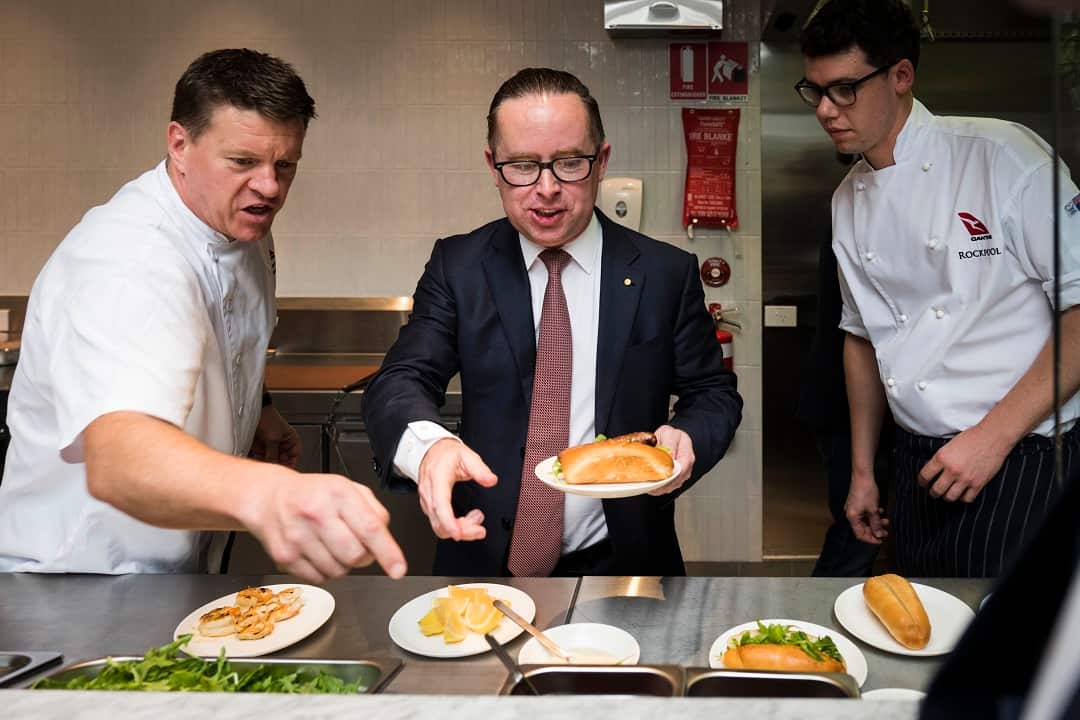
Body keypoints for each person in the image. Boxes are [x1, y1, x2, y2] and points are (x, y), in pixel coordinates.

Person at [0, 49, 405, 583]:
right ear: (179, 144)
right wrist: (269, 494)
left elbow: (223, 330)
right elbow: (119, 458)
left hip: (176, 569)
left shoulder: (240, 225)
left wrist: (256, 407)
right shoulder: (129, 257)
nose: (269, 186)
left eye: (285, 165)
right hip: (78, 577)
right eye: (242, 162)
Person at [362, 67, 742, 577]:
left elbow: (713, 392)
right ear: (493, 167)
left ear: (601, 161)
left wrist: (688, 435)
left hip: (625, 561)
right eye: (521, 165)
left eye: (568, 163)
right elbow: (401, 378)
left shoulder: (664, 273)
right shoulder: (459, 266)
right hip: (483, 556)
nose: (546, 189)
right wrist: (429, 449)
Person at [799, 0, 1080, 577]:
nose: (827, 109)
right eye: (816, 90)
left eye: (845, 88)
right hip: (916, 458)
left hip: (1022, 455)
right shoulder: (847, 199)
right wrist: (861, 473)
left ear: (901, 76)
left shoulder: (1002, 158)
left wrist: (991, 440)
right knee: (921, 638)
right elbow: (860, 338)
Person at [797, 232, 891, 577]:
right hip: (845, 408)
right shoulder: (854, 227)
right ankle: (817, 617)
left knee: (862, 526)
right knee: (857, 528)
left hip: (849, 405)